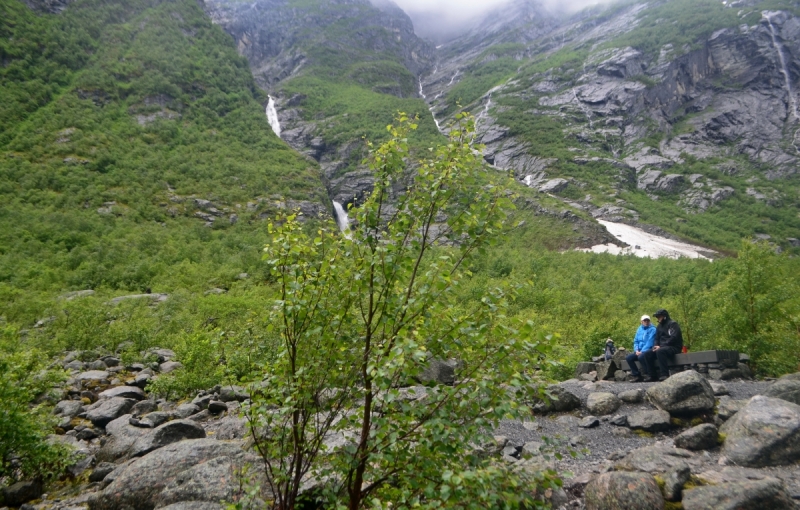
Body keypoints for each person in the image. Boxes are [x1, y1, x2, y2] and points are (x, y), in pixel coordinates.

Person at [643, 308, 683, 381]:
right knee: (647, 354)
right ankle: (652, 375)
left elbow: (674, 338)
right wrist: (655, 346)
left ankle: (664, 374)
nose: (658, 318)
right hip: (662, 347)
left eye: (659, 316)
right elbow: (656, 338)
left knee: (660, 351)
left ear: (664, 316)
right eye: (657, 317)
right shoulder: (659, 326)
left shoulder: (673, 324)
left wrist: (661, 346)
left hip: (674, 347)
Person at [626, 315, 656, 382]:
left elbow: (650, 342)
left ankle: (649, 374)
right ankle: (637, 375)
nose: (646, 322)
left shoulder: (653, 329)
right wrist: (636, 350)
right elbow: (636, 341)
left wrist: (642, 351)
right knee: (629, 358)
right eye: (645, 320)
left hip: (648, 350)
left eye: (647, 320)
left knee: (641, 357)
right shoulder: (639, 329)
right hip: (639, 350)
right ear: (641, 321)